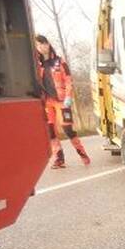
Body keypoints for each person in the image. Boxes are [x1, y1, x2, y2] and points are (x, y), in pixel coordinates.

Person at [35, 35, 89, 169]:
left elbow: (68, 79)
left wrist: (68, 97)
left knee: (67, 129)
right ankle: (59, 159)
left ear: (48, 44)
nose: (42, 47)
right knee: (51, 131)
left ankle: (82, 153)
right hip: (47, 102)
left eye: (44, 43)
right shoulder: (37, 65)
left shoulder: (59, 62)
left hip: (62, 101)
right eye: (39, 45)